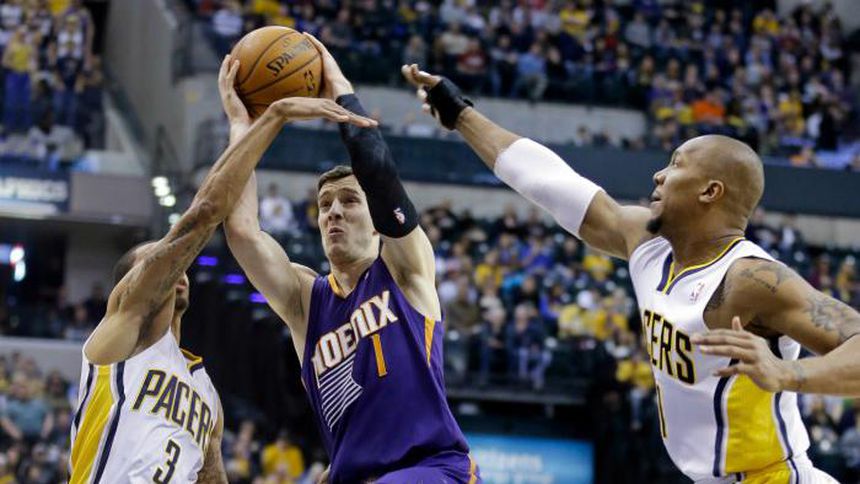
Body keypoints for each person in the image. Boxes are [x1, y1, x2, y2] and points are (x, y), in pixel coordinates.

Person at [402, 64, 859, 482]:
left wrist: (788, 374)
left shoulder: (749, 279)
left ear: (710, 192)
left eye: (676, 164)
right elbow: (552, 183)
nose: (658, 175)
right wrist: (461, 115)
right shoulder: (647, 244)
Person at [68, 56, 374, 484]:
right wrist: (271, 117)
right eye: (157, 260)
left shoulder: (205, 394)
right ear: (129, 287)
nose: (175, 265)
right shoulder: (123, 336)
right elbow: (206, 212)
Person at [223, 36, 479, 483]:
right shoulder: (306, 301)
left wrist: (338, 88)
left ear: (376, 220)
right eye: (324, 205)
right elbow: (243, 232)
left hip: (431, 469)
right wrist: (243, 127)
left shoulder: (404, 268)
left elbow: (378, 174)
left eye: (349, 200)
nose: (334, 212)